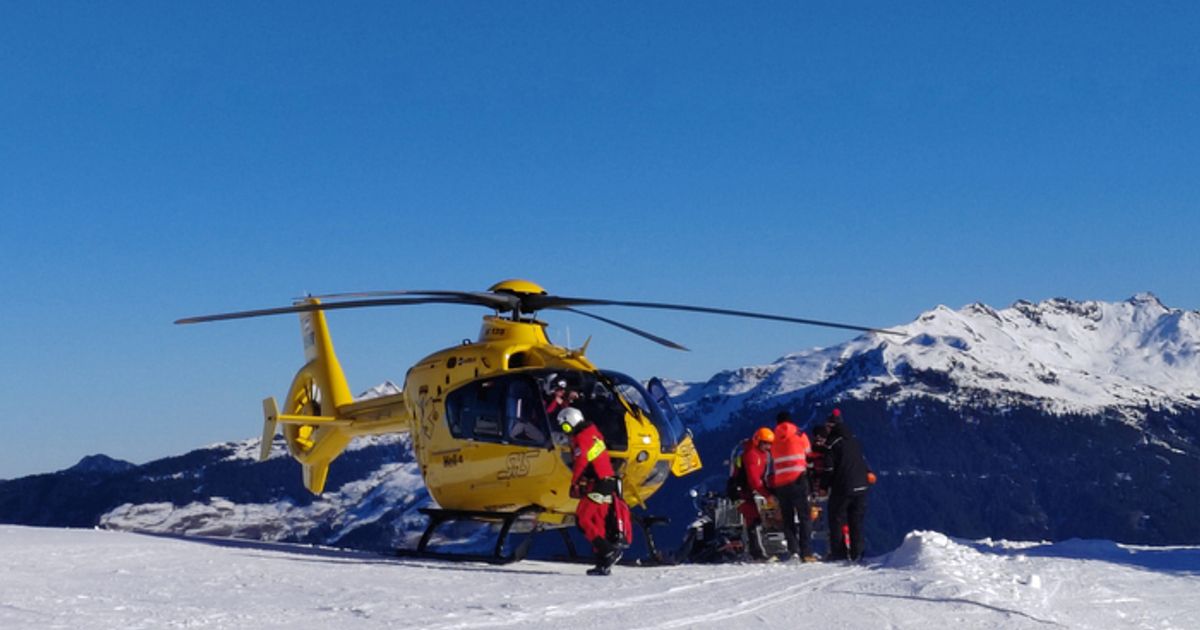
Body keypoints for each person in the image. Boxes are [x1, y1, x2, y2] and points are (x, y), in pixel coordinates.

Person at [558, 406, 633, 576]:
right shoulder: (592, 433)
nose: (565, 431)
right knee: (597, 522)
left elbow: (581, 461)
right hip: (606, 482)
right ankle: (603, 563)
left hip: (599, 483)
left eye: (565, 426)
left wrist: (575, 481)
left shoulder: (582, 438)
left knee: (583, 518)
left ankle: (608, 550)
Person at [820, 408, 870, 562]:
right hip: (862, 485)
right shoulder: (853, 440)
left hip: (843, 486)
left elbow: (828, 468)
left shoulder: (831, 443)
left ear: (831, 426)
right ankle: (858, 553)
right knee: (856, 520)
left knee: (836, 518)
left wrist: (823, 486)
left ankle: (839, 553)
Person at [770, 411, 816, 562]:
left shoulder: (773, 439)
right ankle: (806, 552)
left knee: (787, 518)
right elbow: (809, 454)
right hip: (798, 479)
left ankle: (793, 551)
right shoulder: (799, 434)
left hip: (781, 483)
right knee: (805, 516)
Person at [729, 427, 775, 560]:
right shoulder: (751, 454)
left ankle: (756, 551)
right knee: (754, 519)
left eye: (770, 443)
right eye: (765, 443)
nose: (768, 446)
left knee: (755, 519)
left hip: (746, 491)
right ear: (757, 441)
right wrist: (768, 495)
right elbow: (754, 480)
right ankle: (757, 553)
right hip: (740, 492)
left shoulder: (763, 455)